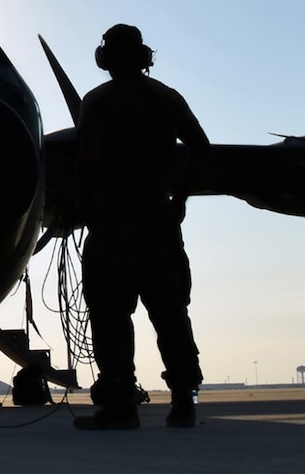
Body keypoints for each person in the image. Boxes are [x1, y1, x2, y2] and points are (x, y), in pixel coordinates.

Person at [73, 24, 210, 430]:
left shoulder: (98, 101)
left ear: (106, 60)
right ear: (144, 56)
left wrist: (84, 208)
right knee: (171, 312)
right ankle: (183, 399)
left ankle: (119, 404)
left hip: (115, 223)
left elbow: (88, 160)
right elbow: (201, 147)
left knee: (111, 311)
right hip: (160, 220)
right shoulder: (167, 98)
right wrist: (181, 197)